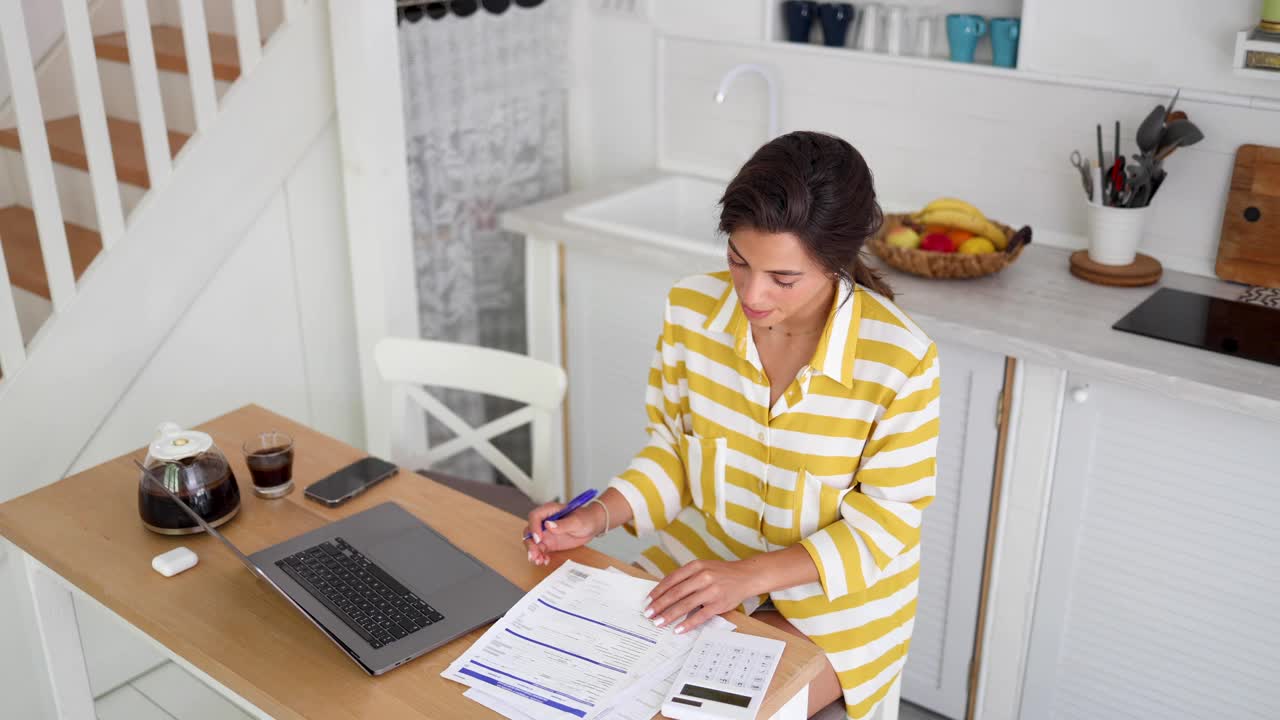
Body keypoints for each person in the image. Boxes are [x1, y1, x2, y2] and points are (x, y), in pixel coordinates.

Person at [524, 131, 940, 719]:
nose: (751, 293)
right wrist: (598, 515)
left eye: (783, 278)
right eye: (738, 262)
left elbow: (884, 526)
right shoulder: (691, 312)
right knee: (563, 688)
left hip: (833, 616)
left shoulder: (900, 359)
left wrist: (748, 577)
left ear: (835, 261)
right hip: (693, 573)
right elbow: (672, 452)